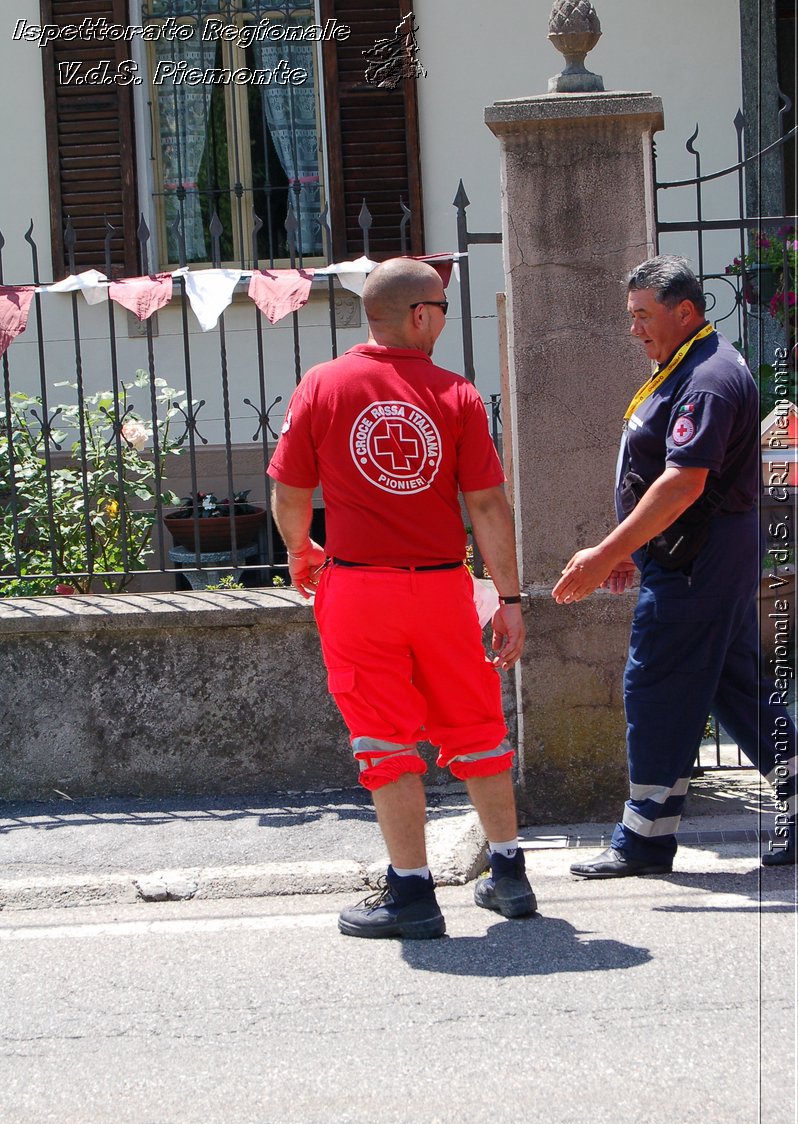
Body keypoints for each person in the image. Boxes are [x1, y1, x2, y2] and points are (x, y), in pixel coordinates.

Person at [267, 258, 537, 937]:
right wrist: (509, 597)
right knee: (477, 729)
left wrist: (301, 549)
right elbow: (489, 506)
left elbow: (290, 491)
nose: (444, 320)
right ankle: (508, 876)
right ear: (419, 315)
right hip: (444, 587)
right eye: (442, 308)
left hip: (358, 589)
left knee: (384, 742)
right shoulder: (458, 396)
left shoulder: (322, 385)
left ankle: (412, 894)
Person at [552, 254, 796, 876]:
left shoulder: (706, 379)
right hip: (699, 553)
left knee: (656, 685)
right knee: (730, 682)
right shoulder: (693, 361)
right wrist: (636, 549)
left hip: (698, 560)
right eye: (630, 315)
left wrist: (606, 551)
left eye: (642, 316)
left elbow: (682, 483)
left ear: (685, 312)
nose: (633, 328)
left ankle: (644, 838)